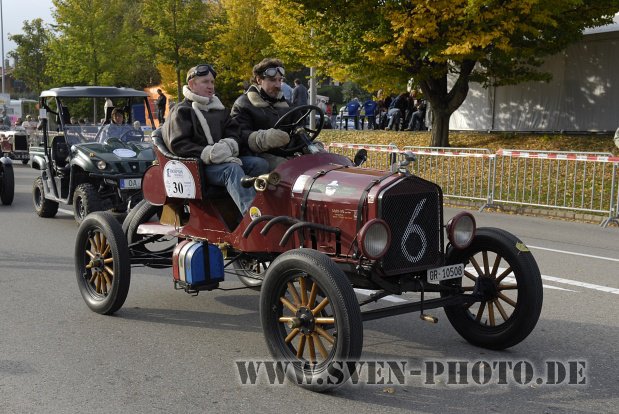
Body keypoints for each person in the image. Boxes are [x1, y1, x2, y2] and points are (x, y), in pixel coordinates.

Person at [163, 64, 269, 215]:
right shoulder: (181, 111)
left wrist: (229, 145)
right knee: (232, 170)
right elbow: (178, 144)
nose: (210, 86)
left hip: (224, 160)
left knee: (260, 164)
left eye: (212, 82)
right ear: (192, 84)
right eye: (205, 82)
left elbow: (234, 131)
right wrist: (208, 153)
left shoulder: (219, 109)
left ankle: (262, 210)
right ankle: (253, 218)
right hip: (199, 168)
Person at [230, 58, 292, 170]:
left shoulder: (286, 105)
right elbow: (238, 135)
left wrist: (311, 144)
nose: (278, 85)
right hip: (255, 155)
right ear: (259, 80)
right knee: (287, 168)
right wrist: (263, 139)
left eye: (280, 80)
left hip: (287, 153)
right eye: (273, 80)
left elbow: (298, 129)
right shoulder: (243, 104)